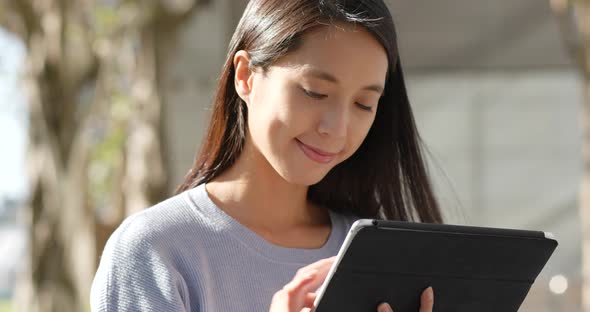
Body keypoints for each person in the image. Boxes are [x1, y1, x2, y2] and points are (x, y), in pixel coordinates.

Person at [90, 0, 443, 311]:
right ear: (245, 76)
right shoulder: (157, 252)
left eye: (364, 104)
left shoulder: (383, 259)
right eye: (315, 92)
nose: (337, 128)